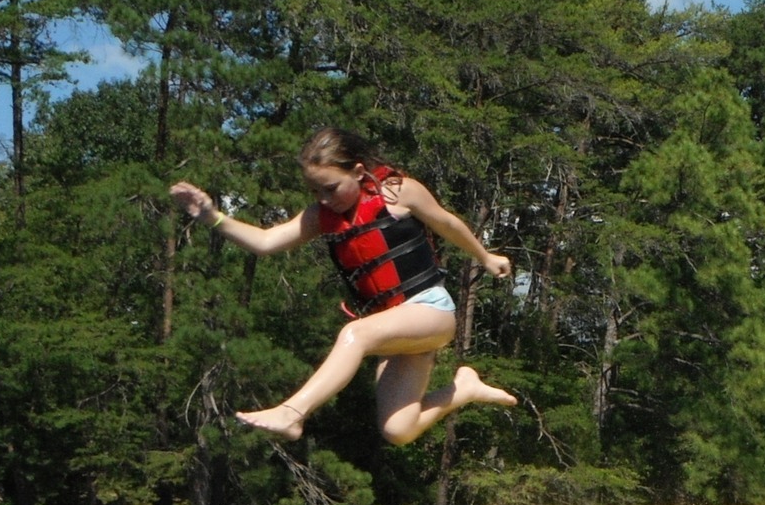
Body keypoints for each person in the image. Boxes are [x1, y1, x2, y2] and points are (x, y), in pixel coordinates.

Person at [168, 128, 517, 445]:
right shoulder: (321, 216)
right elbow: (266, 241)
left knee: (355, 334)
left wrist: (484, 256)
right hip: (395, 329)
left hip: (430, 309)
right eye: (314, 191)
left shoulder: (398, 192)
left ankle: (293, 413)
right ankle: (464, 388)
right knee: (398, 431)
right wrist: (212, 217)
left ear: (359, 172)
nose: (323, 198)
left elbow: (447, 223)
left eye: (330, 188)